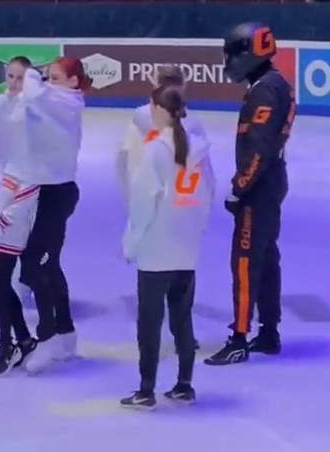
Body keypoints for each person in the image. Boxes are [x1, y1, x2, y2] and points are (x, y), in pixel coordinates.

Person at [120, 85, 215, 409]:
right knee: (182, 319)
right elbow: (208, 193)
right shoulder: (199, 151)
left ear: (160, 110)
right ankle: (185, 385)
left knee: (149, 323)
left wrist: (132, 241)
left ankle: (146, 390)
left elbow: (143, 203)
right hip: (186, 249)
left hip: (157, 250)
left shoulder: (157, 150)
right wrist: (195, 231)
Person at [205, 23, 294, 366]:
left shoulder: (264, 91)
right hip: (270, 182)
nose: (227, 61)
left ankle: (239, 338)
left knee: (244, 260)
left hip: (259, 187)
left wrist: (239, 188)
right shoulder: (275, 83)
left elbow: (258, 149)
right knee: (266, 258)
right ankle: (269, 332)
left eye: (231, 54)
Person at [116, 64, 206, 352]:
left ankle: (150, 365)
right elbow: (206, 185)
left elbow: (125, 161)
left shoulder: (143, 122)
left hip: (153, 213)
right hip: (182, 218)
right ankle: (183, 345)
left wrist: (132, 209)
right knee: (180, 293)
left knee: (152, 299)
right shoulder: (194, 130)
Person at [18, 58, 91, 374]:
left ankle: (47, 337)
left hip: (56, 194)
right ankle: (65, 332)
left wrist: (32, 73)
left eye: (55, 77)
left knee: (34, 263)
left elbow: (33, 91)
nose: (49, 82)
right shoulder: (56, 99)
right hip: (46, 191)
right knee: (47, 265)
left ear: (73, 81)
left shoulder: (67, 102)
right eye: (48, 77)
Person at [0, 56, 38, 377]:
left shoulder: (34, 111)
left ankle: (9, 343)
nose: (13, 84)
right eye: (10, 77)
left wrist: (6, 209)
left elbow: (32, 163)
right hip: (6, 191)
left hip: (23, 196)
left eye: (20, 78)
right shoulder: (1, 104)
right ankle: (20, 340)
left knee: (0, 279)